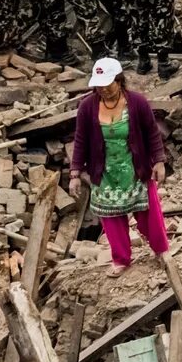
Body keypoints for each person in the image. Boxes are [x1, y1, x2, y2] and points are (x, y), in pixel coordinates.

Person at [70, 59, 171, 276]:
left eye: (108, 84)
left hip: (136, 168)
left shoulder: (137, 102)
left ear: (119, 80)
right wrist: (75, 172)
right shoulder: (87, 107)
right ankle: (121, 259)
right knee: (112, 219)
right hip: (105, 171)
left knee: (149, 213)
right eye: (99, 85)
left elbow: (152, 133)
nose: (103, 89)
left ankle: (161, 249)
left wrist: (159, 161)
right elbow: (80, 140)